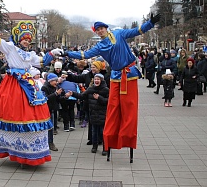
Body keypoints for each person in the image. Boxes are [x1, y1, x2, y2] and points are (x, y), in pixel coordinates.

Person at [63, 13, 160, 161]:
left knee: (129, 108)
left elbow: (137, 31)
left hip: (129, 74)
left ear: (106, 28)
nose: (100, 31)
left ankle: (127, 137)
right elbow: (85, 54)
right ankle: (110, 139)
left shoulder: (119, 33)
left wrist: (150, 23)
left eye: (101, 28)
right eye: (97, 30)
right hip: (115, 77)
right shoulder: (100, 46)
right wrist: (67, 53)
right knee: (113, 108)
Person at [0, 20, 62, 166]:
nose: (26, 42)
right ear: (18, 39)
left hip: (28, 84)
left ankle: (28, 151)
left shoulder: (30, 54)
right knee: (14, 112)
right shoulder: (10, 48)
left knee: (32, 112)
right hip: (13, 84)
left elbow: (41, 61)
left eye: (28, 40)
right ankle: (13, 149)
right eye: (24, 39)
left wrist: (51, 53)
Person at [68, 73, 109, 155]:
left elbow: (109, 101)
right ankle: (94, 146)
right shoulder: (91, 89)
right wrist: (73, 93)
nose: (96, 81)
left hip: (103, 114)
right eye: (95, 79)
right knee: (94, 132)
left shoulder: (106, 90)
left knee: (103, 132)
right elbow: (82, 96)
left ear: (101, 80)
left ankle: (105, 148)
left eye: (98, 79)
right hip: (93, 114)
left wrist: (99, 98)